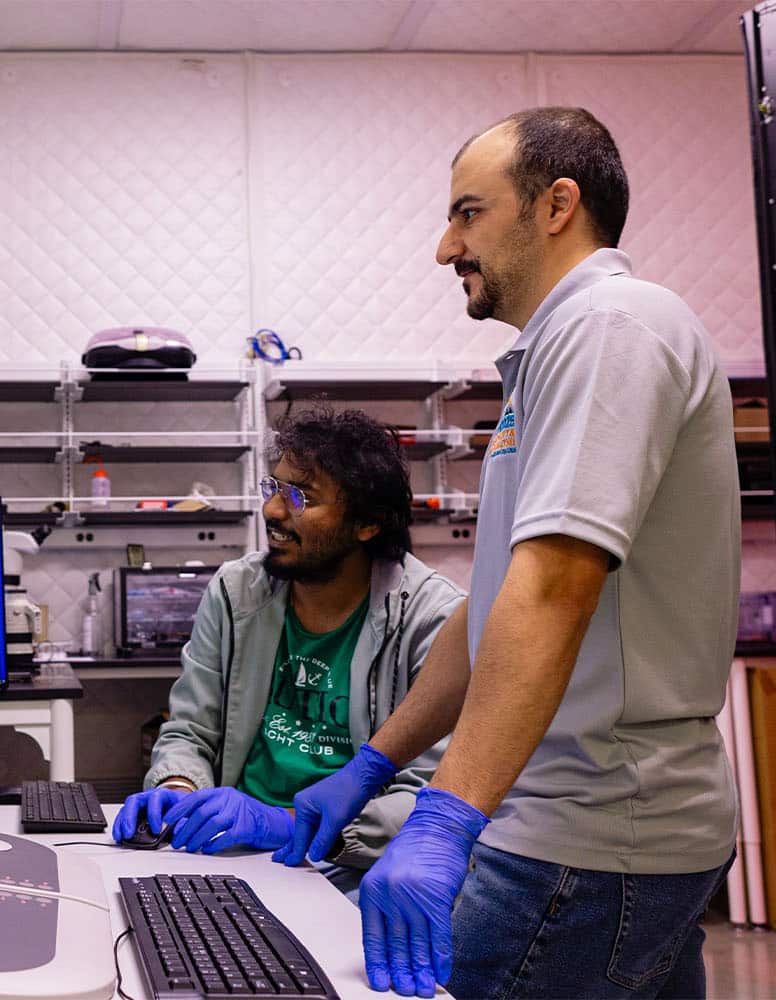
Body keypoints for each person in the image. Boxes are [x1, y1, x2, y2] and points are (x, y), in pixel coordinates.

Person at [281, 107, 741, 999]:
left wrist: (444, 817)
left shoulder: (612, 327)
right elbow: (495, 608)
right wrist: (372, 766)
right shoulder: (558, 355)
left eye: (469, 213)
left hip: (588, 834)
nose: (446, 248)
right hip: (588, 830)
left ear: (557, 205)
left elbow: (553, 591)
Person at [112, 406, 464, 879]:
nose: (273, 510)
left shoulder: (431, 617)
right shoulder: (236, 591)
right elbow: (190, 731)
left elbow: (432, 794)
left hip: (349, 865)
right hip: (229, 850)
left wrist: (286, 823)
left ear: (366, 523)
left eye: (301, 497)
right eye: (273, 488)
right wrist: (178, 787)